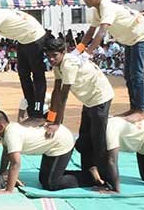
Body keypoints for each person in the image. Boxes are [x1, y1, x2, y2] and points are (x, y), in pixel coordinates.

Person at [44, 37, 115, 189]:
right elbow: (56, 91)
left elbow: (64, 96)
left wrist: (57, 123)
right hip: (89, 101)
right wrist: (51, 118)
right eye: (48, 55)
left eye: (54, 56)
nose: (51, 59)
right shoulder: (57, 65)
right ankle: (89, 173)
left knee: (98, 141)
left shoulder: (68, 65)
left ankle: (107, 182)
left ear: (63, 52)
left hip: (100, 97)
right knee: (84, 140)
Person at [79, 0, 144, 121]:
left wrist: (88, 52)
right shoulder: (97, 10)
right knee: (128, 74)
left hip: (140, 34)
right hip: (130, 39)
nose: (84, 0)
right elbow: (90, 32)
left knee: (136, 73)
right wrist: (78, 50)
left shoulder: (107, 7)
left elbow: (102, 32)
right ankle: (134, 108)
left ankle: (141, 110)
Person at [0, 111, 89, 192]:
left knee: (51, 184)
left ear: (1, 127)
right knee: (43, 179)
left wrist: (9, 190)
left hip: (62, 143)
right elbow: (6, 154)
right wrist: (2, 174)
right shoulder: (7, 132)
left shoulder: (11, 134)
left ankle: (89, 177)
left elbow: (15, 163)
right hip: (50, 146)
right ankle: (62, 172)